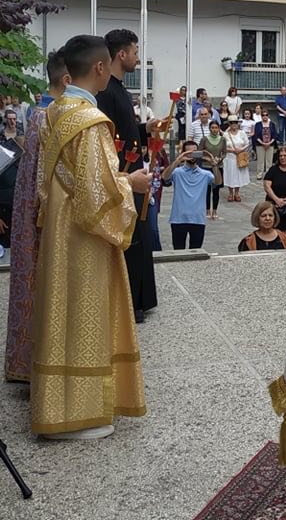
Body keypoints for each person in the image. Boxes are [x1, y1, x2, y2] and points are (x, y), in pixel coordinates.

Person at [32, 33, 151, 440]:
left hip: (60, 228)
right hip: (84, 235)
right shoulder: (91, 121)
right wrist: (131, 182)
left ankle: (55, 403)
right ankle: (80, 412)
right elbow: (96, 192)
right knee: (84, 313)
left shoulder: (55, 111)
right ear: (101, 67)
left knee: (60, 312)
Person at [4, 52, 69, 383]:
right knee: (41, 288)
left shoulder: (37, 114)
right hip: (42, 216)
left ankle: (23, 362)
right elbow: (50, 178)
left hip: (26, 209)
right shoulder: (52, 117)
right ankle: (40, 367)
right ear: (67, 79)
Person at [96, 29, 161, 324]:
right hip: (123, 175)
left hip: (134, 173)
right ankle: (130, 302)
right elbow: (111, 139)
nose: (137, 57)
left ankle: (140, 299)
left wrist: (145, 129)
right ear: (121, 54)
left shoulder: (120, 89)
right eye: (135, 51)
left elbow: (127, 130)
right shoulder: (107, 91)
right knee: (131, 240)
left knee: (141, 237)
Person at [161, 140, 221, 250]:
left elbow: (218, 182)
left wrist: (214, 165)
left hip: (198, 219)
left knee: (196, 253)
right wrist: (178, 160)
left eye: (194, 152)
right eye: (188, 153)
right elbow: (164, 177)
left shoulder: (205, 174)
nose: (191, 156)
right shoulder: (177, 172)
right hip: (178, 219)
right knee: (178, 252)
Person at [200, 120, 227, 220]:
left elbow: (224, 152)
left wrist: (219, 159)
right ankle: (207, 210)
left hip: (218, 166)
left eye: (216, 128)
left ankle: (215, 210)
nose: (214, 130)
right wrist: (208, 159)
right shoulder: (204, 139)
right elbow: (200, 152)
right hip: (206, 167)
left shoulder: (223, 139)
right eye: (212, 128)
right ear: (209, 129)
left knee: (216, 190)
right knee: (207, 190)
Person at [223, 115, 251, 202]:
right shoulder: (225, 134)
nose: (234, 124)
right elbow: (222, 146)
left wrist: (240, 149)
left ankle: (237, 193)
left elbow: (247, 143)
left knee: (239, 175)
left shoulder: (242, 133)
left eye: (235, 122)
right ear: (229, 124)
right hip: (229, 157)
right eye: (232, 123)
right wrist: (231, 150)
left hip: (240, 156)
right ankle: (230, 193)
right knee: (229, 175)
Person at [254, 109, 278, 180]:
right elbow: (256, 135)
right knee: (260, 161)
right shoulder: (258, 124)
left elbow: (274, 135)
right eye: (263, 115)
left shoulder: (272, 124)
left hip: (270, 145)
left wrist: (269, 143)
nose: (265, 116)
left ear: (268, 116)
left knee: (269, 161)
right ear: (261, 116)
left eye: (266, 115)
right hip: (260, 144)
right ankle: (259, 174)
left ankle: (269, 174)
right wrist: (263, 143)